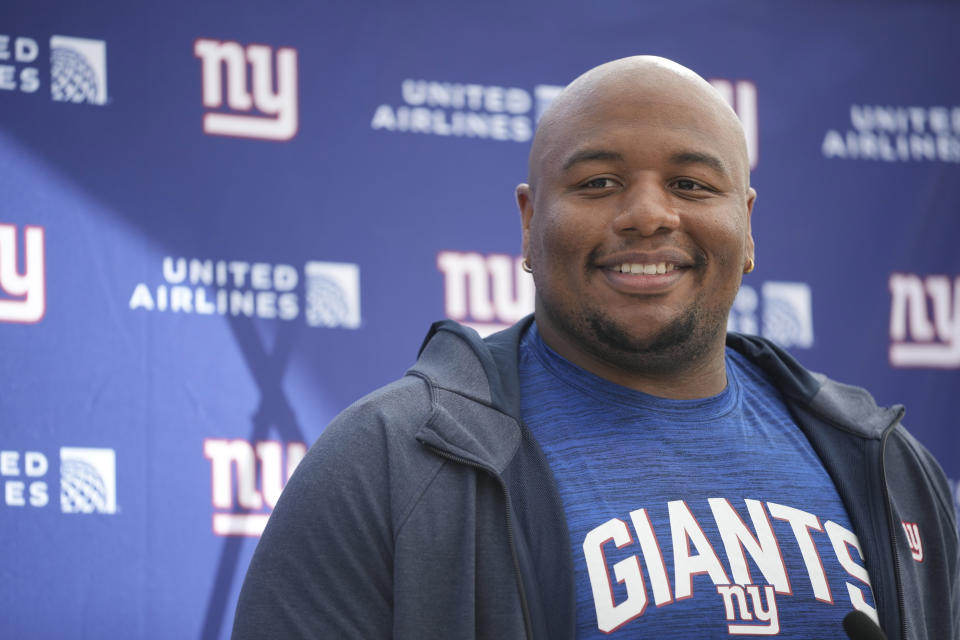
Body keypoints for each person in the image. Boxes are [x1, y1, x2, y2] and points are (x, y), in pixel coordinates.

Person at [231, 56, 959, 639]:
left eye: (691, 183)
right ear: (528, 221)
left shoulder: (886, 464)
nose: (647, 214)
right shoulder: (390, 462)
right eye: (600, 182)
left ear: (747, 226)